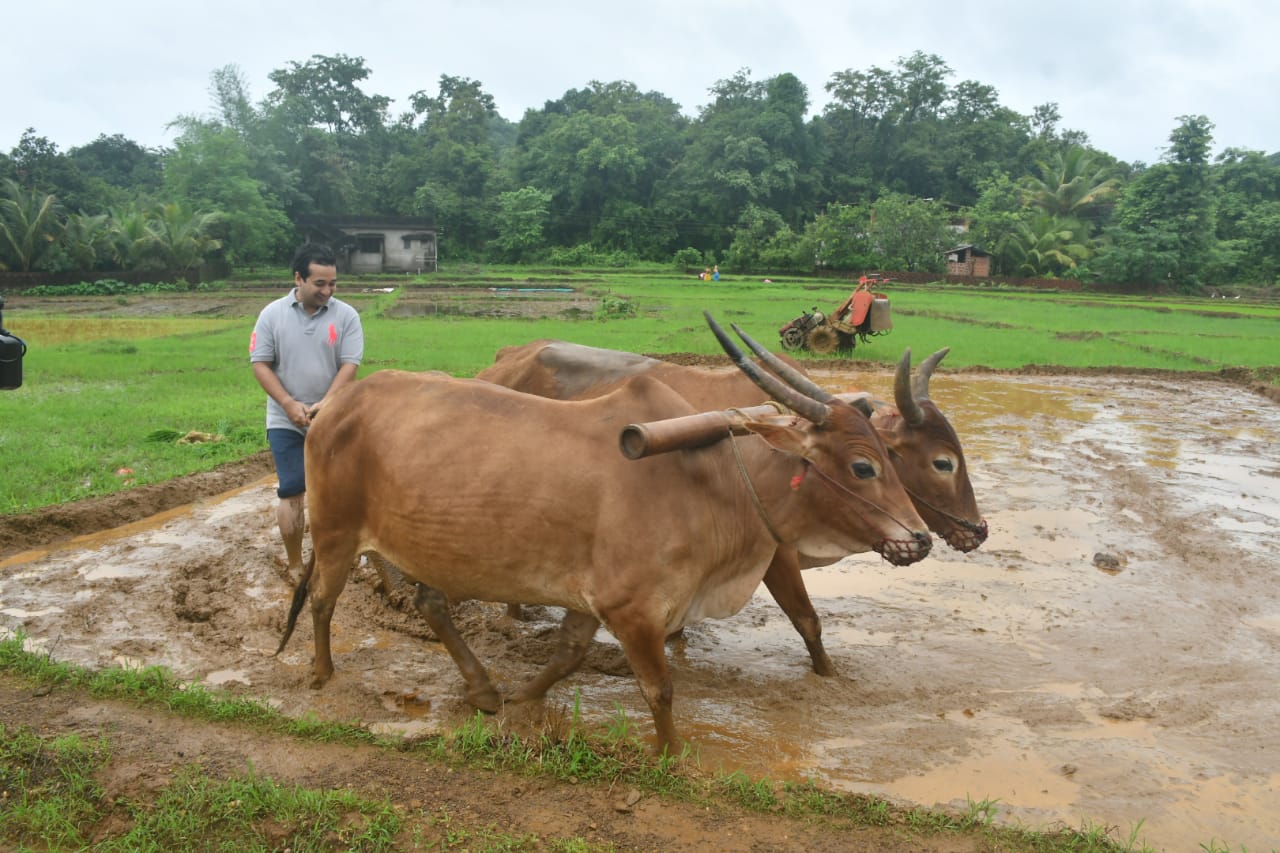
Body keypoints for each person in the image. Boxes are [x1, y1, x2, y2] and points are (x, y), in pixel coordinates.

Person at [250, 242, 364, 578]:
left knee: (343, 489)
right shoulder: (271, 315)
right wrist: (288, 404)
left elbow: (349, 365)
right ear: (298, 278)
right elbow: (260, 364)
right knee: (292, 490)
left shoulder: (346, 316)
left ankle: (341, 556)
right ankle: (296, 564)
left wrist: (327, 404)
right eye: (319, 284)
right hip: (286, 418)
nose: (327, 291)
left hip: (335, 416)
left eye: (333, 284)